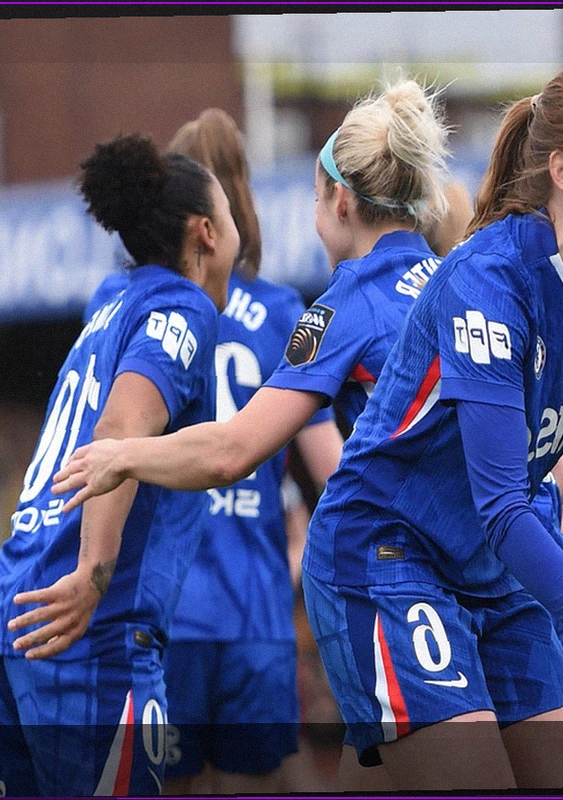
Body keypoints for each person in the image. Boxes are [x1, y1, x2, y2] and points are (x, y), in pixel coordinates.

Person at [57, 60, 563, 790]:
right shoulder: (481, 282)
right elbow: (513, 496)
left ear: (338, 201)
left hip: (492, 569)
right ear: (561, 171)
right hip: (387, 558)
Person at [0, 133, 239, 796]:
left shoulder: (110, 300)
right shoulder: (184, 306)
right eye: (231, 218)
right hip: (85, 633)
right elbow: (120, 431)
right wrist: (93, 575)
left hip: (6, 613)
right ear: (206, 233)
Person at [162, 108, 343, 796]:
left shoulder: (159, 308)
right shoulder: (283, 312)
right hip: (256, 611)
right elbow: (335, 470)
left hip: (172, 609)